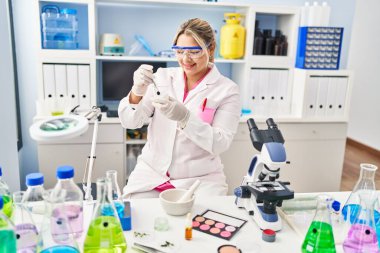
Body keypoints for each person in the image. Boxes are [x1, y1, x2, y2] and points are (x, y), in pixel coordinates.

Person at [118, 18, 241, 198]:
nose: (185, 59)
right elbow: (130, 122)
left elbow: (220, 143)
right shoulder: (162, 78)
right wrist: (137, 91)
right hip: (152, 173)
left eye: (194, 51)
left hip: (200, 179)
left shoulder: (227, 90)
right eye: (179, 50)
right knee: (135, 217)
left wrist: (185, 118)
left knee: (201, 221)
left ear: (211, 48)